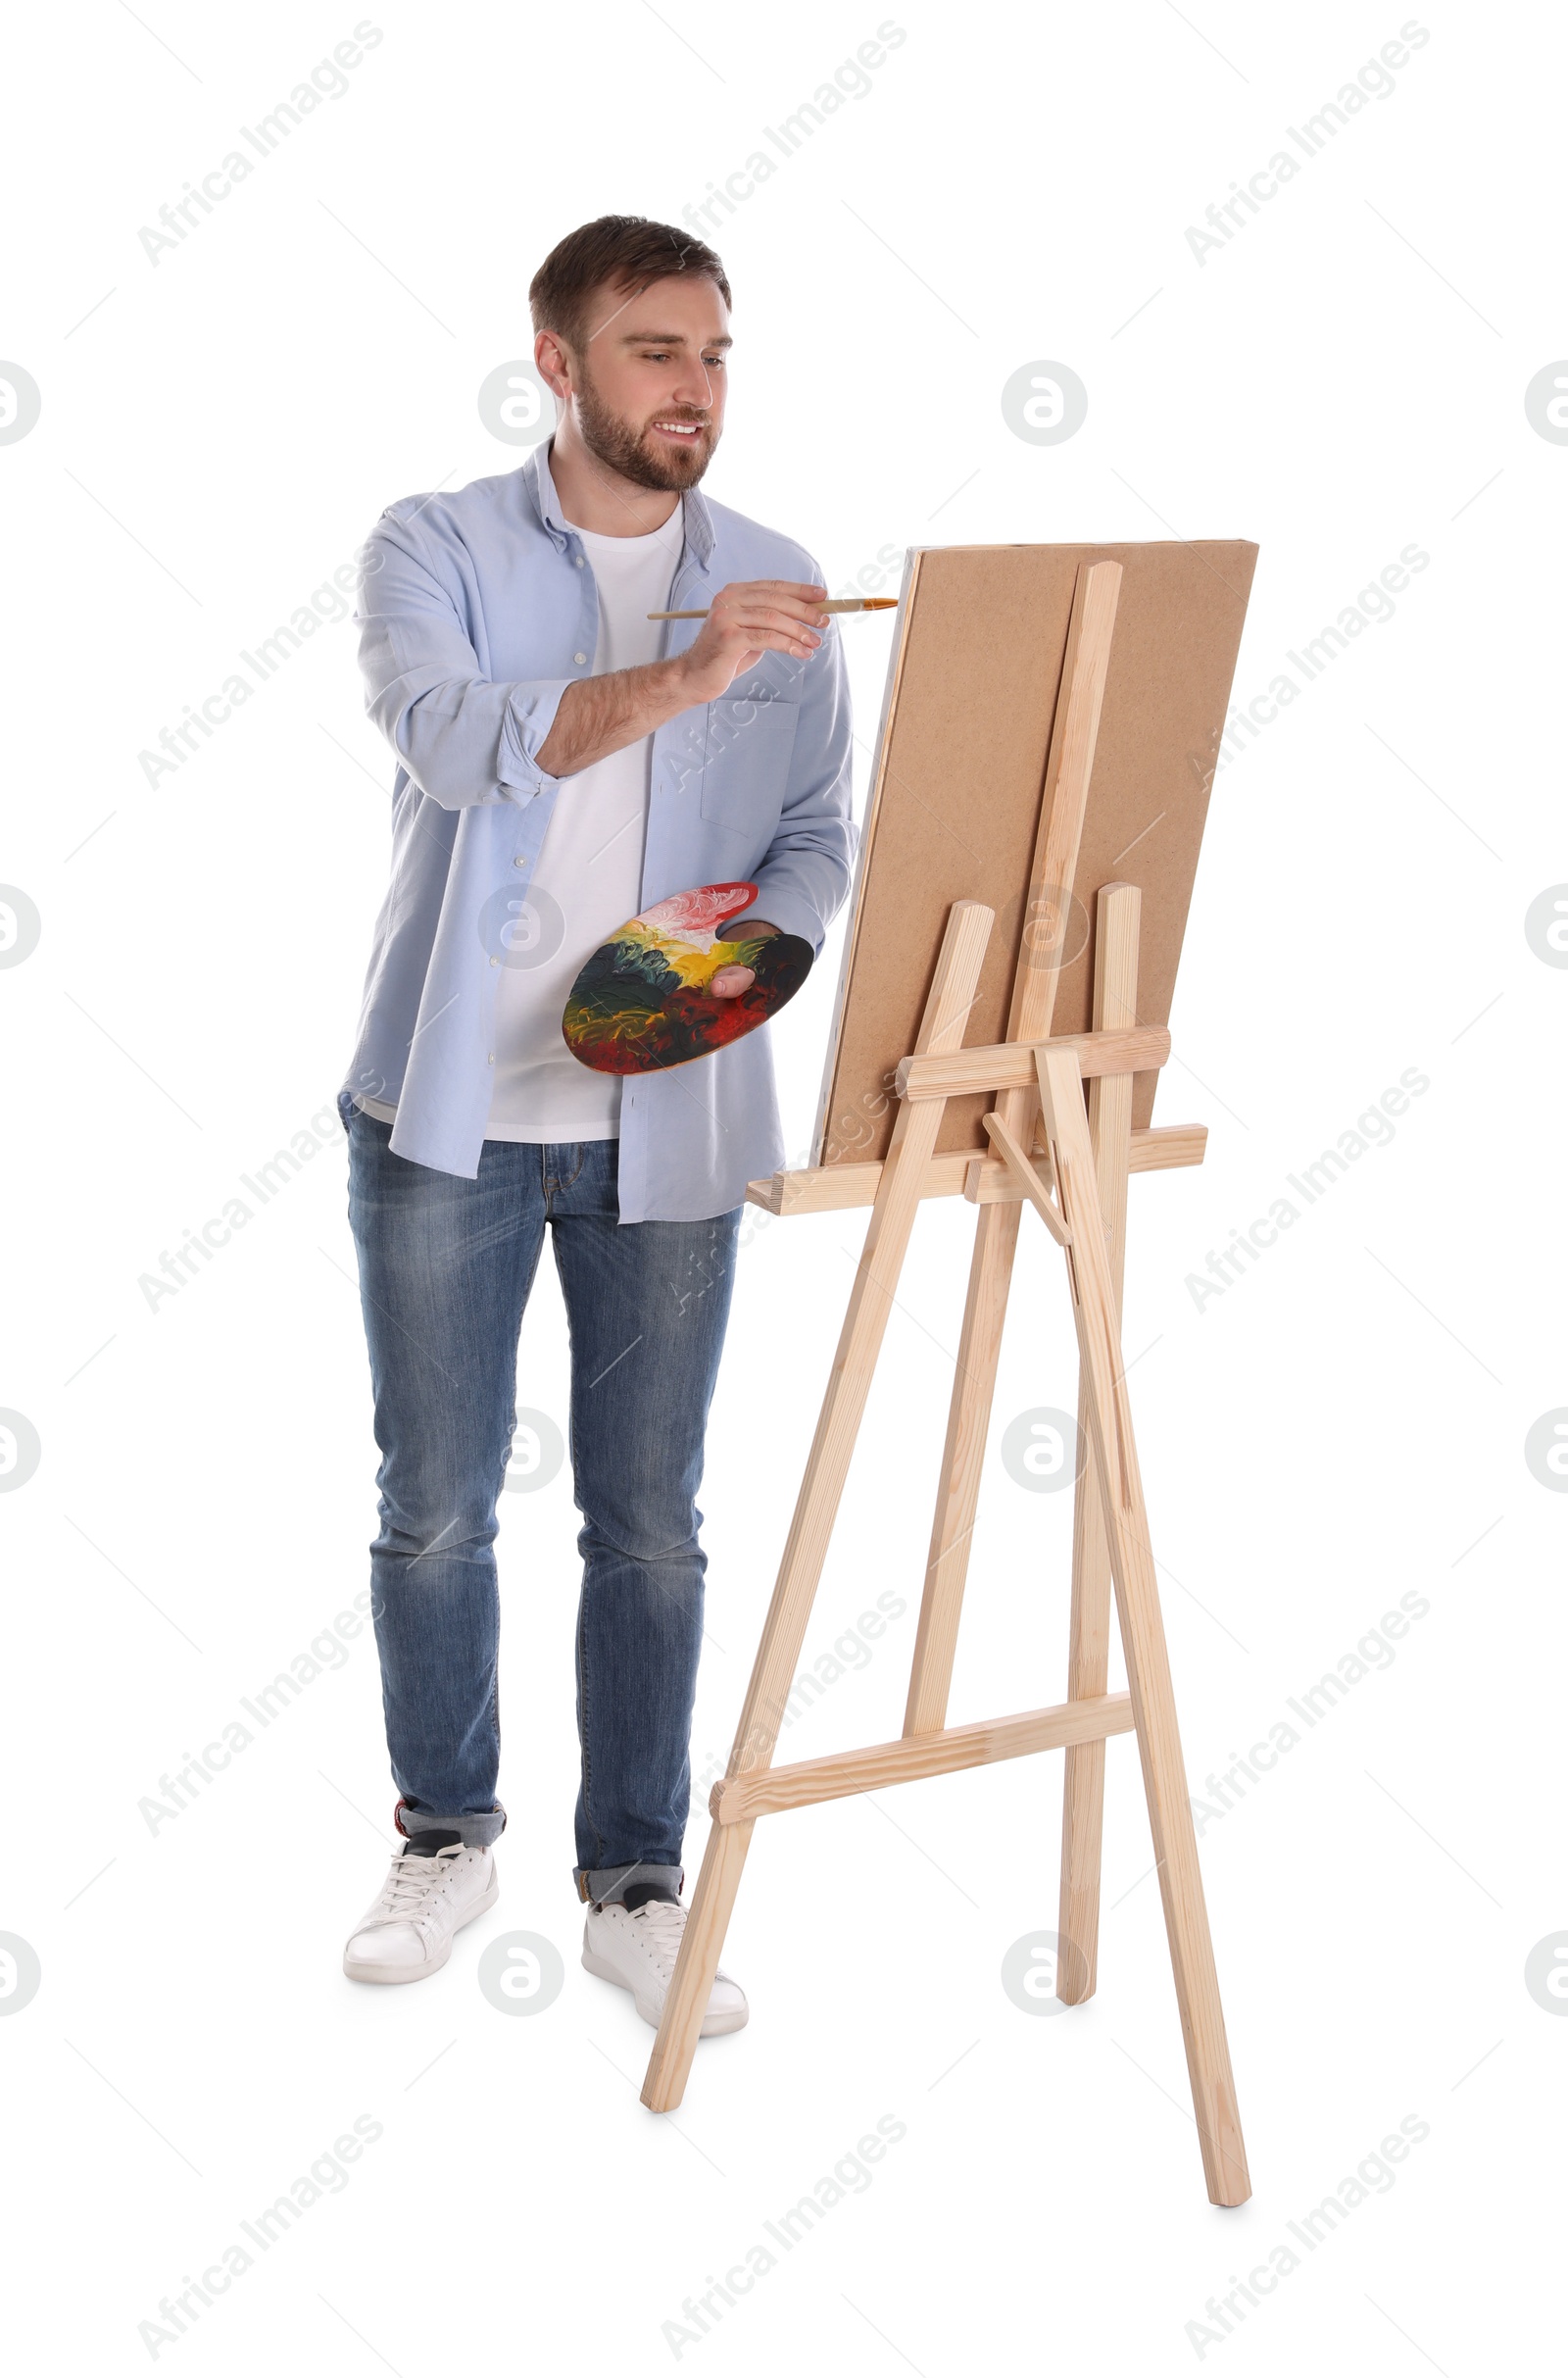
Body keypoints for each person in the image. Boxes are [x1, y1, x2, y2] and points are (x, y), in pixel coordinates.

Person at [334, 216, 855, 2040]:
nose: (693, 387)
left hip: (671, 1125)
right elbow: (452, 737)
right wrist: (690, 674)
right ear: (558, 362)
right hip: (448, 1114)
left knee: (651, 1524)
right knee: (436, 1513)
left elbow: (815, 843)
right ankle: (446, 1832)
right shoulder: (438, 545)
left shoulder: (784, 580)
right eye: (654, 351)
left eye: (714, 351)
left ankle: (635, 1875)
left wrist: (687, 989)